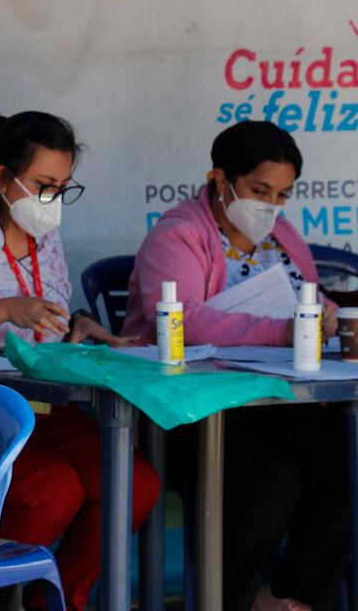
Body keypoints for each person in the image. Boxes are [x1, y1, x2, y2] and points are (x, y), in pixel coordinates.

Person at [0, 111, 159, 610]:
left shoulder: (44, 237)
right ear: (3, 177)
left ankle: (60, 598)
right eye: (44, 186)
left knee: (135, 485)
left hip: (46, 408)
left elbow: (45, 318)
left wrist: (78, 327)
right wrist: (1, 310)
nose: (53, 200)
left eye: (63, 188)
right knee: (52, 491)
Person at [124, 120, 347, 611]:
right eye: (259, 191)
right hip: (191, 413)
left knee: (347, 456)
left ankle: (290, 595)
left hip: (275, 404)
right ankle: (227, 602)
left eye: (282, 195)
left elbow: (312, 299)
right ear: (219, 179)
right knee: (268, 481)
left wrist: (333, 318)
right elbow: (184, 321)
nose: (270, 206)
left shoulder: (282, 235)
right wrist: (282, 330)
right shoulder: (178, 235)